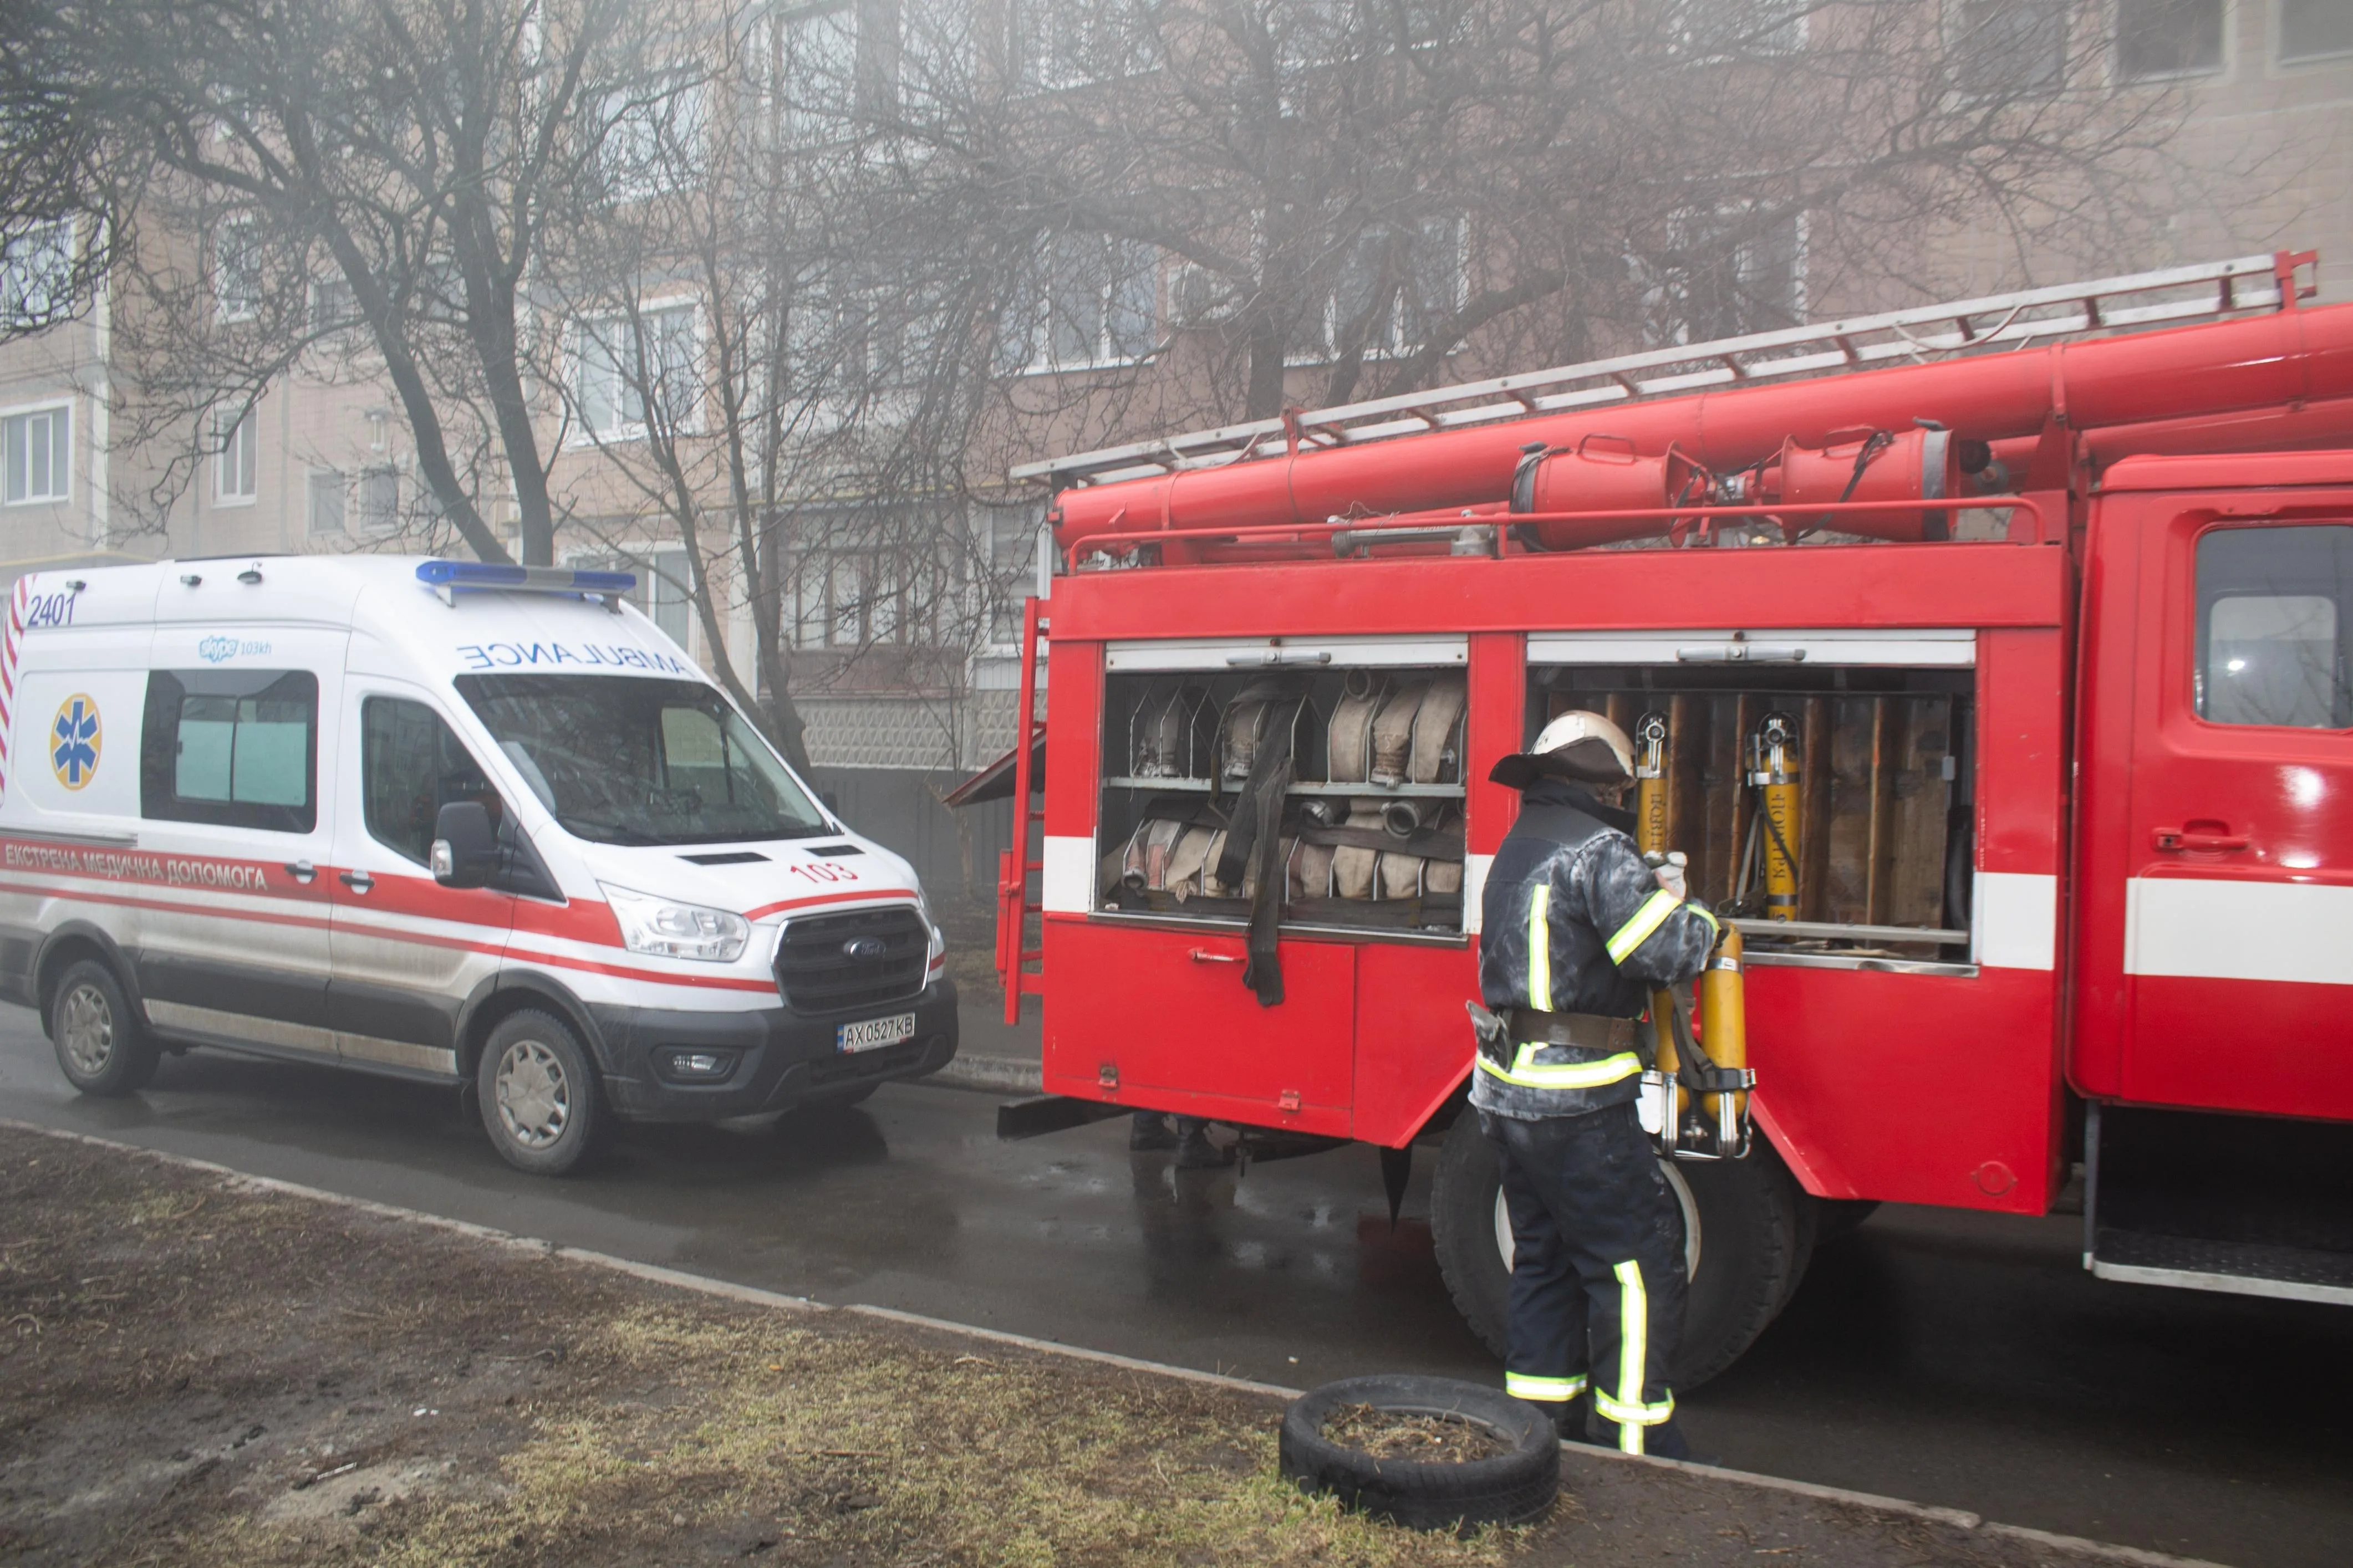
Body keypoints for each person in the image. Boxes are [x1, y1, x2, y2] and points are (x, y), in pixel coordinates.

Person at [1471, 711, 1720, 1458]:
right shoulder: (1601, 849)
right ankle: (1637, 1442)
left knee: (1543, 1259)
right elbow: (1665, 950)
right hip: (1579, 1100)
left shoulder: (1518, 846)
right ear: (1601, 782)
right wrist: (1698, 914)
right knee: (1637, 1267)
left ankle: (1540, 1434)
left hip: (1508, 1094)